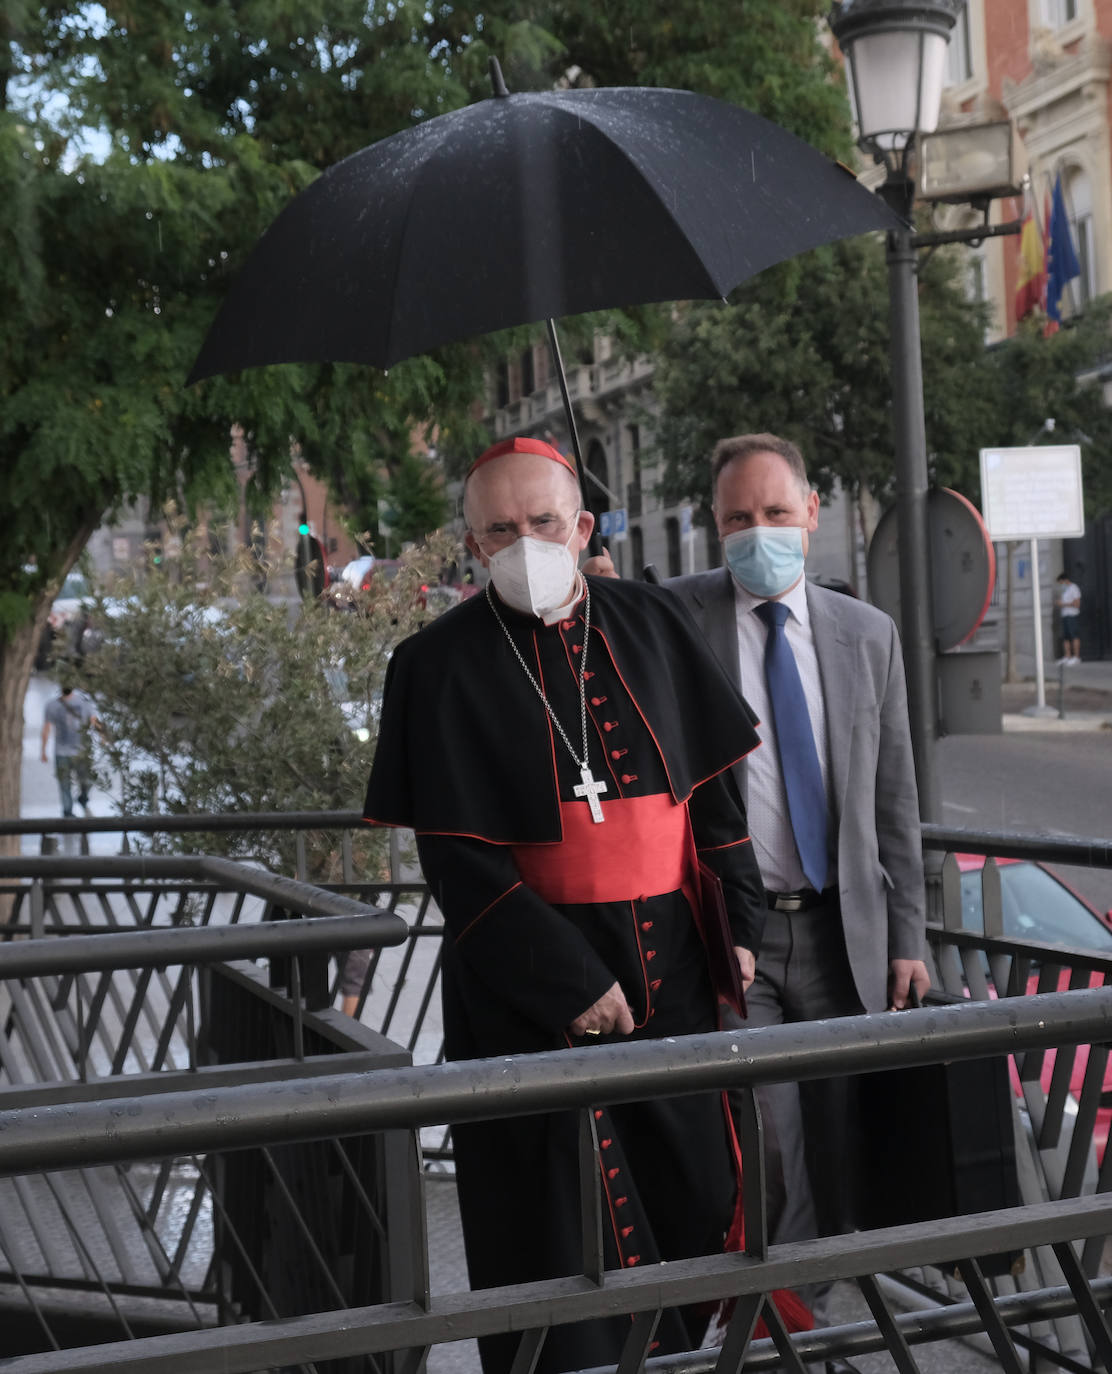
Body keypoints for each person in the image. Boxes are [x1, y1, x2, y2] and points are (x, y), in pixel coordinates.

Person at [363, 435, 808, 1374]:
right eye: (500, 529)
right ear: (474, 545)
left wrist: (737, 932)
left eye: (544, 522)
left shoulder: (655, 621)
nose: (524, 541)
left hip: (677, 974)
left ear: (584, 526)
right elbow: (458, 864)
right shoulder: (436, 665)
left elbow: (717, 802)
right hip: (531, 1000)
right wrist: (566, 980)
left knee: (692, 1205)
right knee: (557, 1251)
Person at [664, 434, 929, 1357]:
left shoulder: (869, 635)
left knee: (839, 1142)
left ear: (812, 512)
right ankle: (783, 1325)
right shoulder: (675, 620)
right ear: (715, 525)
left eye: (776, 513)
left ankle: (800, 1313)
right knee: (770, 1146)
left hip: (843, 932)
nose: (758, 532)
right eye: (738, 518)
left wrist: (912, 938)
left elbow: (895, 803)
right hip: (738, 939)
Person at [41, 684, 102, 817]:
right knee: (64, 784)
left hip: (82, 751)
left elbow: (94, 720)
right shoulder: (52, 705)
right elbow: (46, 728)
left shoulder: (84, 703)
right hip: (61, 752)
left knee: (87, 780)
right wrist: (43, 750)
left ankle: (83, 798)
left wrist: (103, 736)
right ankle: (67, 812)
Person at [1055, 571, 1082, 664]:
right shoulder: (1064, 590)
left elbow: (1077, 604)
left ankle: (1076, 657)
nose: (1060, 585)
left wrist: (1063, 604)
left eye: (1061, 583)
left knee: (1074, 636)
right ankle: (1067, 656)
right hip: (1065, 615)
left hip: (1072, 615)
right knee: (1066, 637)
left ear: (1065, 580)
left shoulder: (1073, 588)